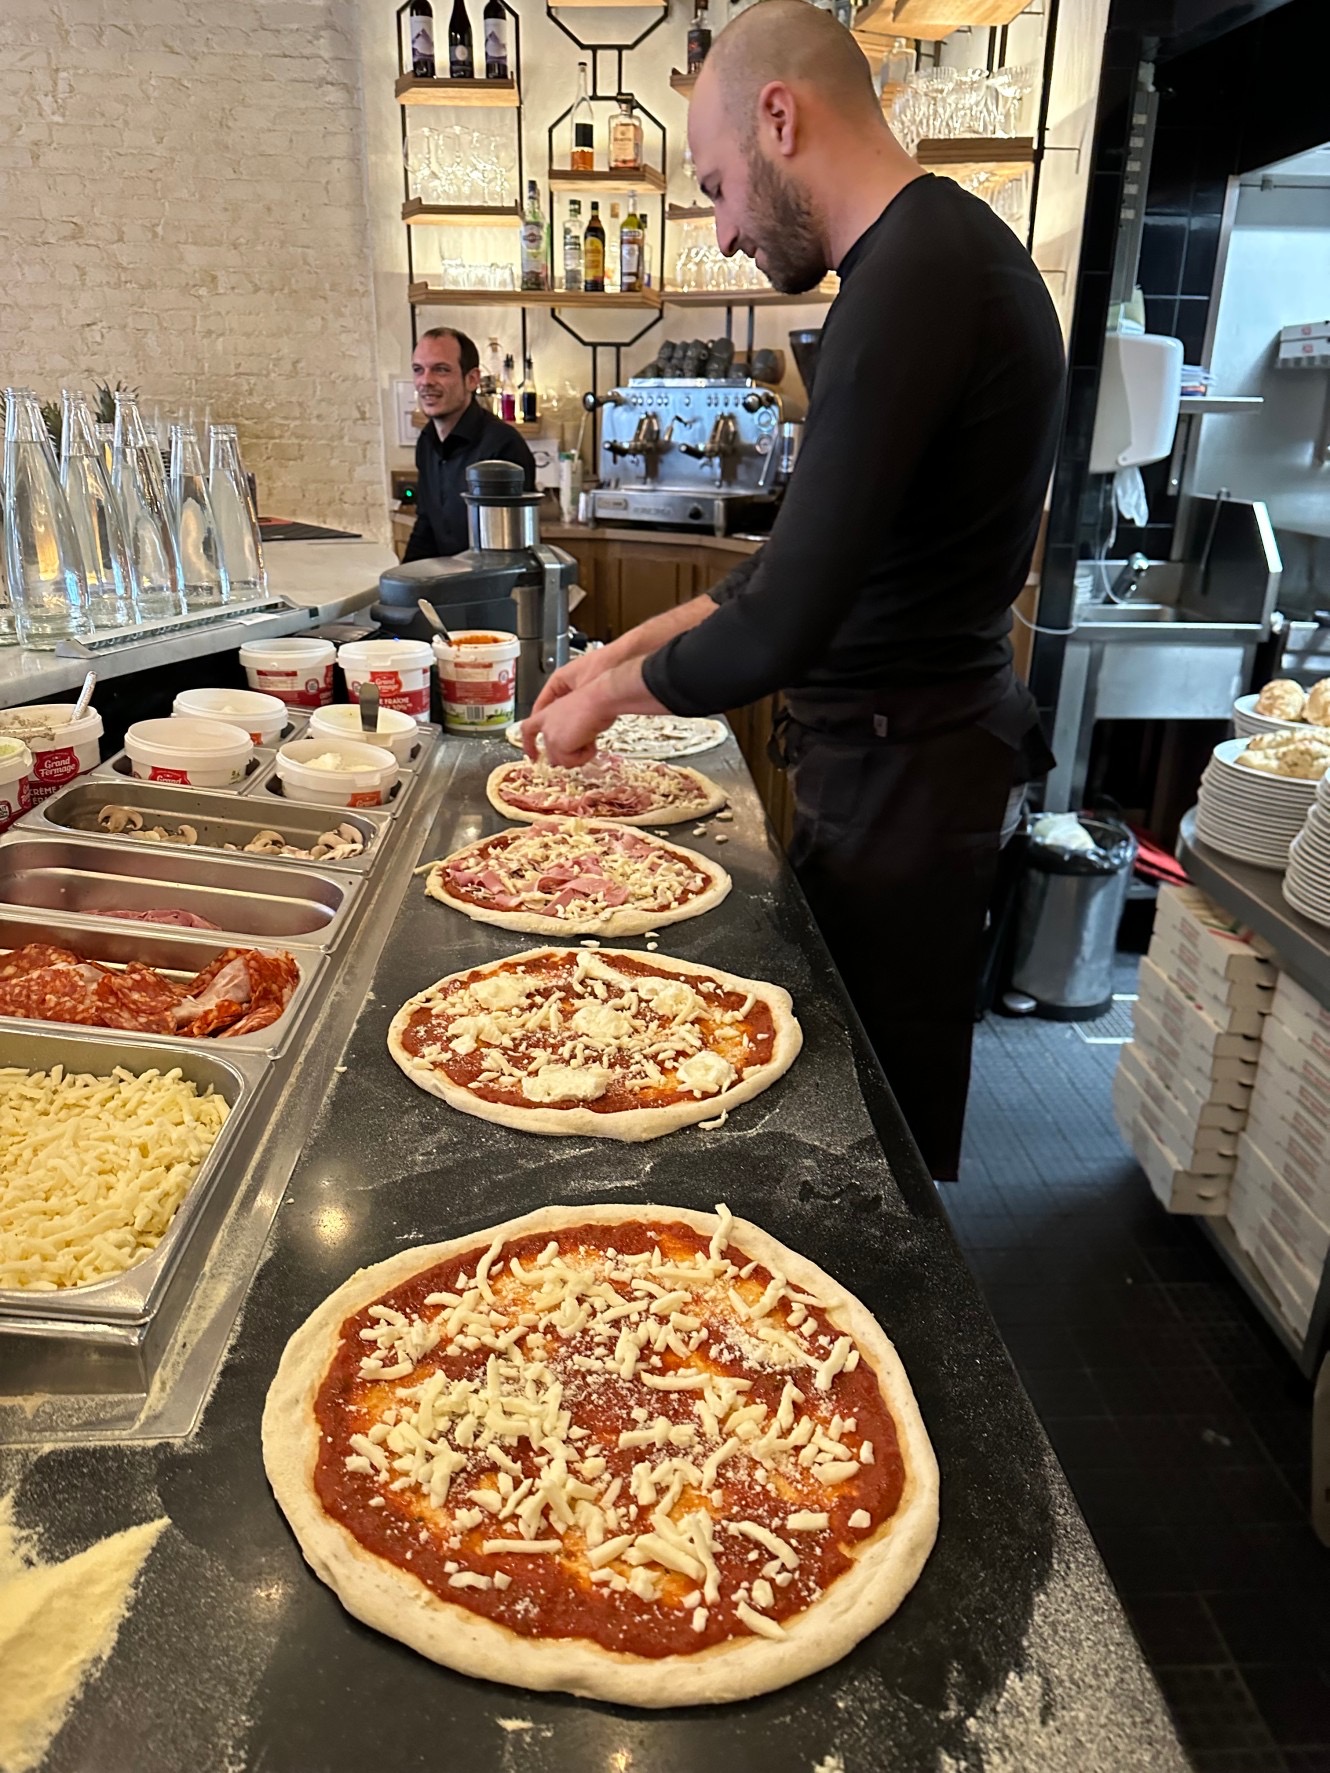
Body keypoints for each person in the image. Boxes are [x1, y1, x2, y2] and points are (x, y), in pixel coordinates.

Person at [523, 0, 1064, 1180]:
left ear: (780, 115)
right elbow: (792, 567)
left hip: (907, 780)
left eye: (716, 186)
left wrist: (598, 709)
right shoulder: (921, 263)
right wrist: (612, 659)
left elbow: (783, 621)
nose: (719, 235)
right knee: (844, 1111)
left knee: (869, 1153)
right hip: (896, 766)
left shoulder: (918, 277)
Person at [403, 327, 536, 561]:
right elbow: (426, 529)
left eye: (441, 370)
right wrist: (401, 588)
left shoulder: (503, 447)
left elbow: (505, 557)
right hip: (444, 588)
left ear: (472, 379)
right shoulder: (427, 441)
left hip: (487, 592)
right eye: (418, 370)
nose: (425, 381)